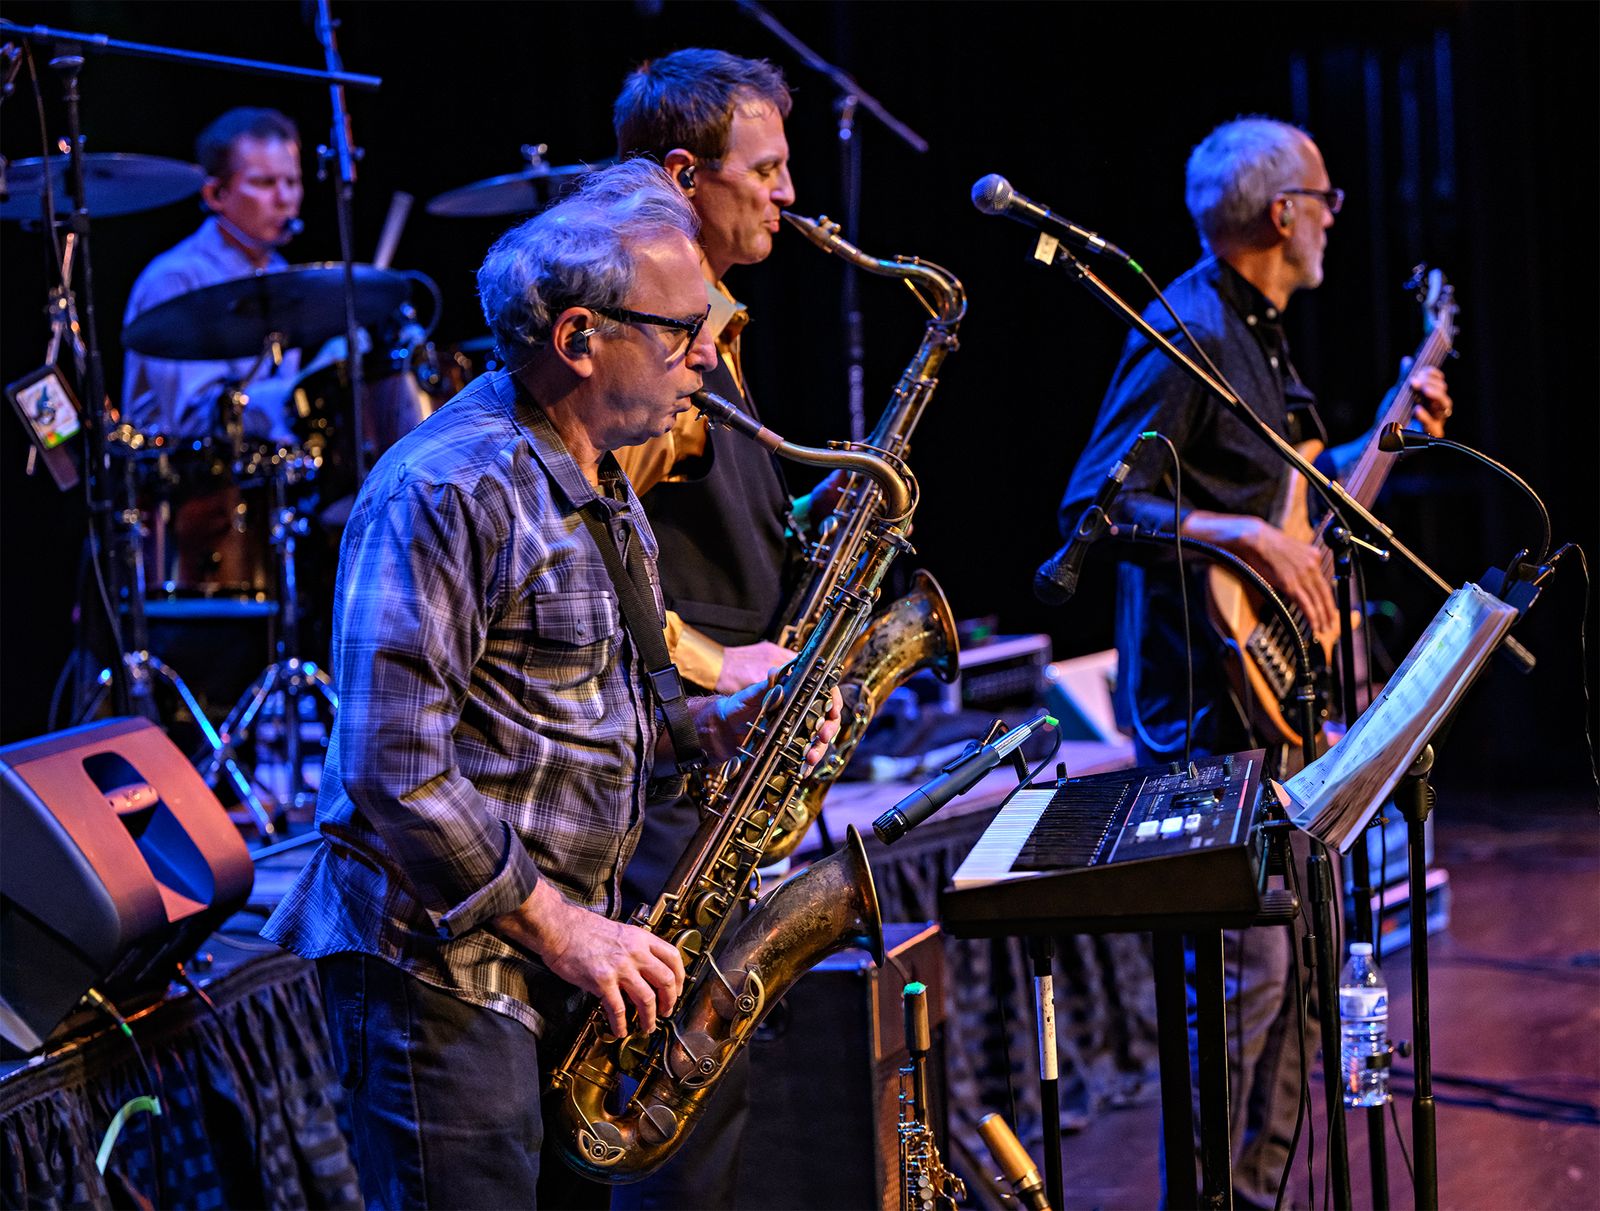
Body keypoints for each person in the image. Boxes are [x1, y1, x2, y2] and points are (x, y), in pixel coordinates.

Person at [261, 159, 839, 1210]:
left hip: (549, 966)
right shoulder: (447, 486)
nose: (709, 355)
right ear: (579, 337)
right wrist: (566, 928)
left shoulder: (601, 471)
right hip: (442, 974)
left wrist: (722, 724)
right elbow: (394, 767)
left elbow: (570, 707)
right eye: (683, 330)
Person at [1057, 116, 1451, 1208]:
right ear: (1283, 213)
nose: (1333, 221)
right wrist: (1238, 536)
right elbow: (1095, 506)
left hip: (1276, 710)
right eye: (1325, 201)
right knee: (1245, 987)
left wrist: (1390, 436)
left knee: (1304, 986)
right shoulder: (1186, 328)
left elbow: (1298, 514)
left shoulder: (1261, 336)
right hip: (1204, 725)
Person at [608, 49, 819, 1210]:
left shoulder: (716, 322)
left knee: (711, 1108)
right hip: (665, 780)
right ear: (685, 175)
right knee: (676, 1117)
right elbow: (585, 551)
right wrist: (711, 664)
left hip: (711, 759)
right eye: (766, 169)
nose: (787, 193)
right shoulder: (651, 337)